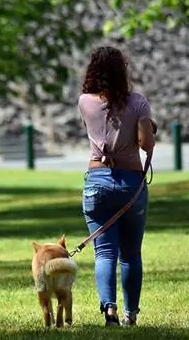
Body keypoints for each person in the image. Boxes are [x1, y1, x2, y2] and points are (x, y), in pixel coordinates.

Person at [77, 46, 156, 327]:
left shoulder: (84, 101)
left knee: (104, 252)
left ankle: (108, 311)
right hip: (130, 183)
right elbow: (146, 143)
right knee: (131, 254)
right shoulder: (138, 103)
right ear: (123, 72)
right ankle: (130, 314)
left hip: (96, 183)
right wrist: (145, 127)